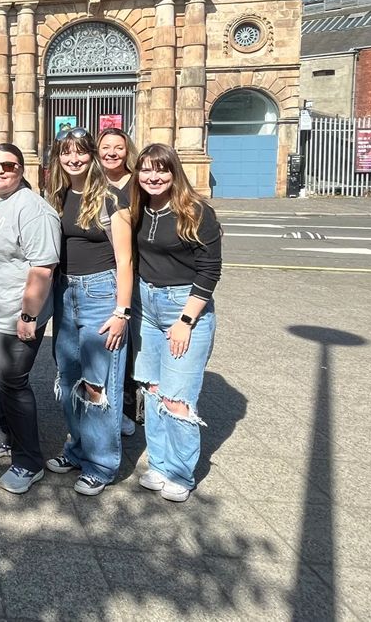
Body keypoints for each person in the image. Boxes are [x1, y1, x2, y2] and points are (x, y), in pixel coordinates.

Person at [126, 143, 223, 503]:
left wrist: (186, 320)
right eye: (146, 170)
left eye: (161, 170)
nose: (153, 177)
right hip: (145, 306)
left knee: (178, 397)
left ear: (174, 172)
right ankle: (160, 464)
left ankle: (181, 472)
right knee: (152, 390)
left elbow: (210, 270)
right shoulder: (139, 209)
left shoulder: (196, 211)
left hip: (183, 306)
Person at [0, 144, 60, 494]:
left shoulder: (34, 210)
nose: (0, 170)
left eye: (9, 165)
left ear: (21, 169)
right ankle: (6, 437)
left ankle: (29, 461)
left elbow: (42, 267)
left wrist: (28, 315)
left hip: (17, 315)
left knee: (13, 383)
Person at [45, 127, 134, 497]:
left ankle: (102, 464)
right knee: (68, 379)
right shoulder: (55, 195)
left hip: (101, 293)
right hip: (65, 292)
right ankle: (78, 450)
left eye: (81, 151)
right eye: (66, 152)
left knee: (98, 384)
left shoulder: (111, 199)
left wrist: (122, 311)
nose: (74, 158)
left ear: (91, 155)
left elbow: (126, 260)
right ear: (58, 157)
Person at [97, 126, 140, 436]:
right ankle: (116, 407)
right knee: (110, 343)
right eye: (106, 147)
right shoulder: (93, 183)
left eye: (118, 147)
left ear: (128, 151)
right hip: (104, 274)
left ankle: (130, 407)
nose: (112, 152)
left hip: (138, 269)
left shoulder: (138, 183)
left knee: (133, 342)